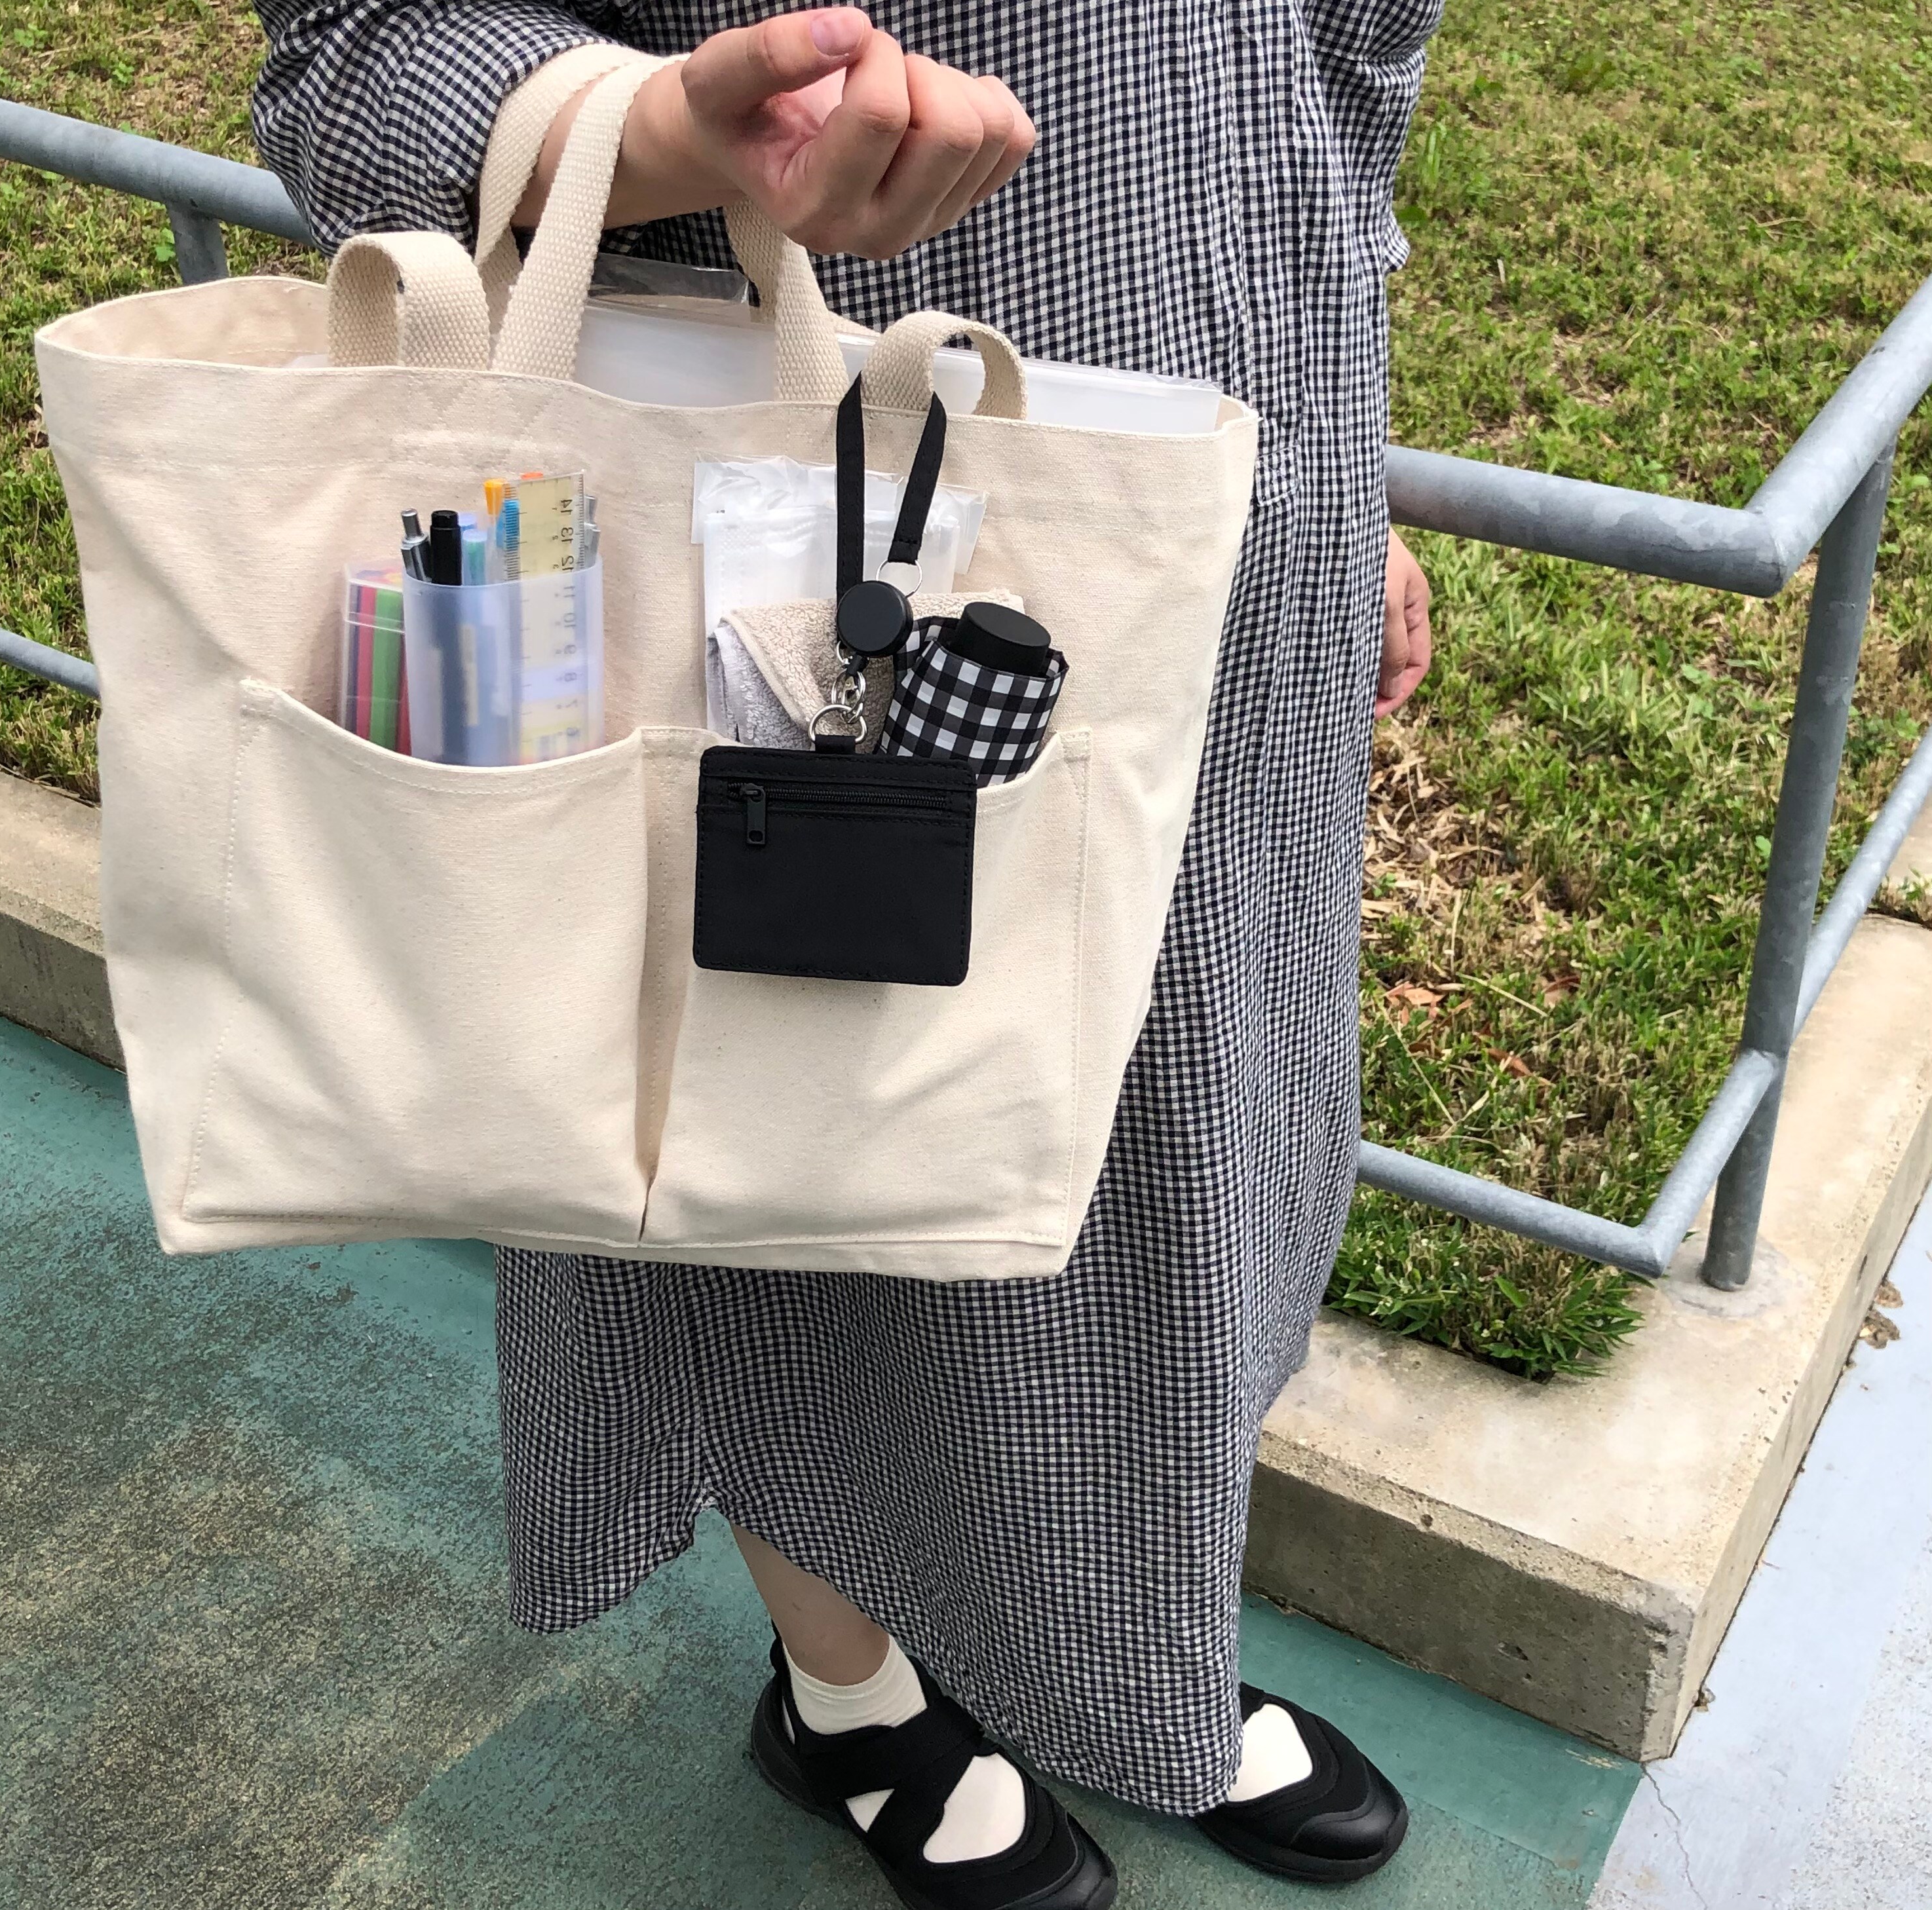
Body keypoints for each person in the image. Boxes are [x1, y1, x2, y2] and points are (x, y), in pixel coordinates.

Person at [251, 2, 1439, 1901]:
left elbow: (1345, 62)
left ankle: (1129, 1651)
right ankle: (853, 1694)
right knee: (780, 1158)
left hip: (1220, 501)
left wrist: (1337, 449)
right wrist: (652, 131)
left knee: (1185, 1132)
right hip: (780, 506)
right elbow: (353, 43)